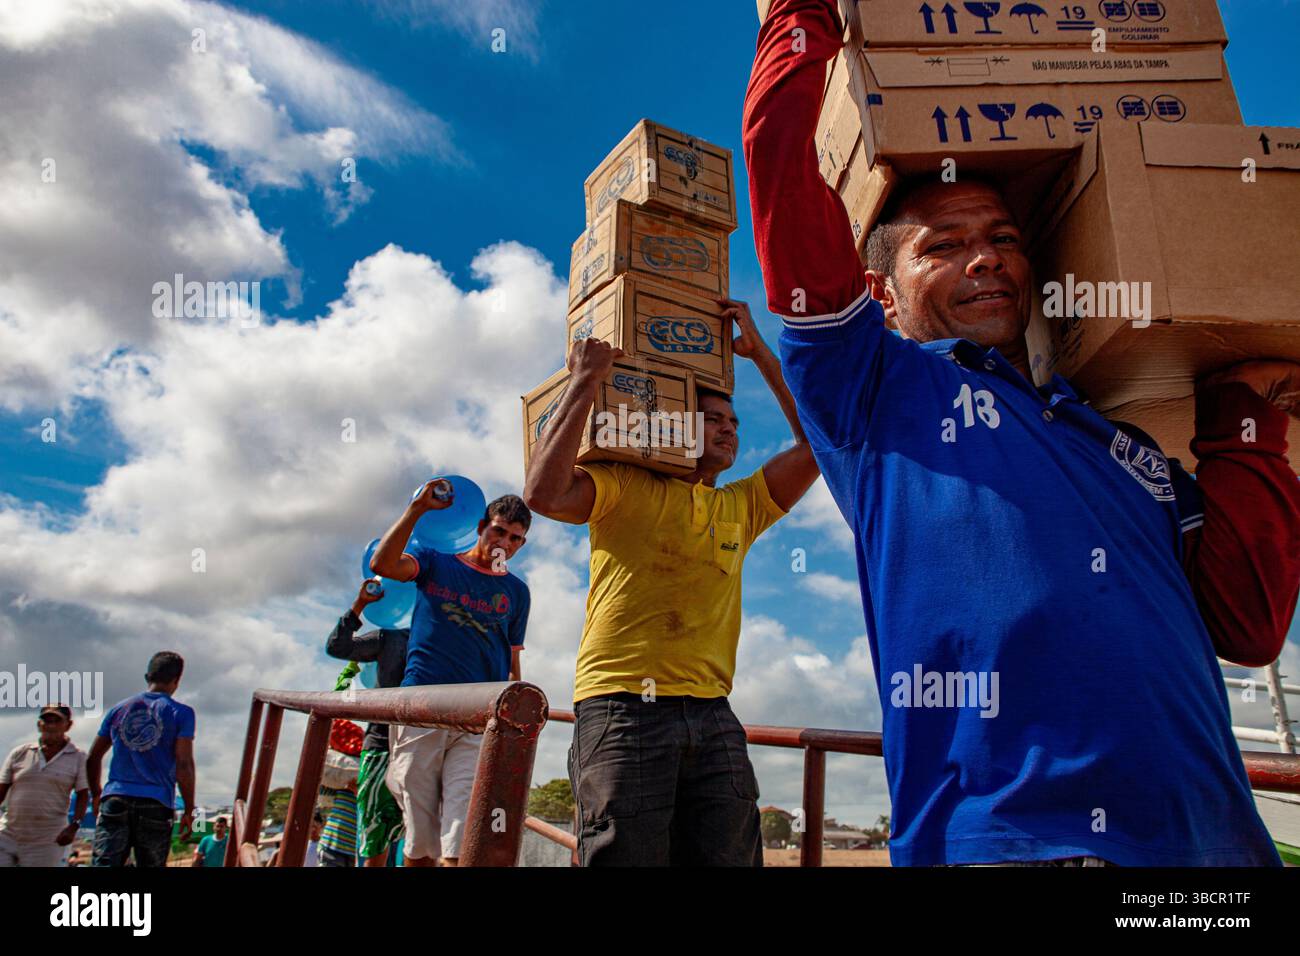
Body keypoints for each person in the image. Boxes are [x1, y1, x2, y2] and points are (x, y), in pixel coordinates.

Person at [742, 0, 1300, 866]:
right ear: (881, 295)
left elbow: (1250, 624)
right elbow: (779, 158)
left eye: (1002, 237)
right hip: (1011, 847)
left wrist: (1247, 425)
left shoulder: (1124, 448)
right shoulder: (873, 393)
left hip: (1213, 857)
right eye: (945, 245)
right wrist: (800, 15)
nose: (985, 256)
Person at [523, 301, 821, 866]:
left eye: (734, 423)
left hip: (713, 714)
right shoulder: (624, 484)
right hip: (620, 708)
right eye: (714, 420)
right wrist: (586, 379)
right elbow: (543, 494)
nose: (729, 430)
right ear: (679, 421)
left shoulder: (742, 505)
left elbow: (815, 446)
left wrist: (760, 356)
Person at [370, 488, 532, 867]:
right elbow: (382, 564)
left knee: (460, 839)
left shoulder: (517, 592)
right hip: (422, 708)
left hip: (479, 717)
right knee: (421, 840)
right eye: (498, 531)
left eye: (514, 538)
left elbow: (511, 660)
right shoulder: (435, 563)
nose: (503, 543)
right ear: (480, 527)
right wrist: (417, 508)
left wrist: (518, 717)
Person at [325, 580, 410, 867]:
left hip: (427, 748)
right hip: (382, 748)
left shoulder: (446, 642)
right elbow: (338, 646)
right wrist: (360, 604)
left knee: (421, 839)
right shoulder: (391, 638)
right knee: (375, 837)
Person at [87, 651, 196, 867]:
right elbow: (183, 764)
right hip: (156, 802)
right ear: (177, 681)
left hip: (116, 797)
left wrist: (97, 794)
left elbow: (93, 757)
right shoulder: (181, 713)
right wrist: (189, 810)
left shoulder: (119, 709)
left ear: (147, 677)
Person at [0, 705, 89, 867]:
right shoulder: (20, 753)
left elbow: (83, 794)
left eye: (57, 721)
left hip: (47, 838)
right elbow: (2, 788)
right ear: (39, 725)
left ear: (68, 725)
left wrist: (74, 825)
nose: (51, 726)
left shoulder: (78, 757)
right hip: (9, 832)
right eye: (47, 721)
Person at [317, 781, 359, 867]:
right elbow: (322, 793)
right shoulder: (340, 786)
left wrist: (359, 792)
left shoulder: (372, 791)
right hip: (330, 847)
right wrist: (343, 783)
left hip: (354, 853)